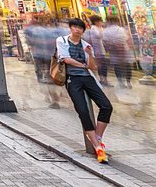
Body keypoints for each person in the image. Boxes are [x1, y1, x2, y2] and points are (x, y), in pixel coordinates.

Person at [57, 18, 113, 164]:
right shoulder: (62, 41)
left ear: (83, 30)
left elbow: (92, 66)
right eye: (74, 27)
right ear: (70, 28)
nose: (77, 30)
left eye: (80, 28)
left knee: (106, 106)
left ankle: (98, 138)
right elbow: (66, 59)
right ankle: (97, 147)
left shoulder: (86, 45)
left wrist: (90, 55)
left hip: (88, 78)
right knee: (82, 110)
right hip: (72, 79)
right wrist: (84, 65)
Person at [102, 16, 134, 87]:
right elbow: (127, 39)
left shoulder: (105, 31)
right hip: (124, 51)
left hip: (113, 52)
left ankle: (120, 82)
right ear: (117, 21)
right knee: (127, 66)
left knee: (117, 67)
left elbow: (104, 42)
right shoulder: (121, 29)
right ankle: (128, 82)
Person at [83, 15, 109, 86]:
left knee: (103, 65)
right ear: (96, 22)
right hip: (97, 50)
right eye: (100, 21)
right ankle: (102, 79)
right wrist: (101, 29)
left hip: (100, 49)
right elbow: (100, 36)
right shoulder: (94, 28)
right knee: (102, 65)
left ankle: (104, 79)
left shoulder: (97, 28)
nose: (101, 22)